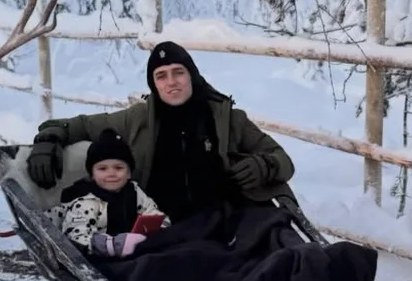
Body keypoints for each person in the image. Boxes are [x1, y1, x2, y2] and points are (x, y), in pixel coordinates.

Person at [27, 41, 296, 222]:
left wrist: (264, 166)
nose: (171, 83)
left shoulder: (227, 118)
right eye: (161, 76)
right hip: (165, 226)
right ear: (154, 84)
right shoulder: (138, 118)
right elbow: (80, 125)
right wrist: (49, 138)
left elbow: (282, 160)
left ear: (192, 75)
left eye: (178, 72)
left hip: (226, 220)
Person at [60, 128, 167, 257]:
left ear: (128, 173)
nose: (111, 174)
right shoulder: (86, 201)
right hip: (91, 252)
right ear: (92, 175)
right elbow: (76, 237)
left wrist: (159, 229)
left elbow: (152, 212)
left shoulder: (133, 191)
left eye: (118, 168)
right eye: (103, 168)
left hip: (124, 246)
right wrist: (114, 245)